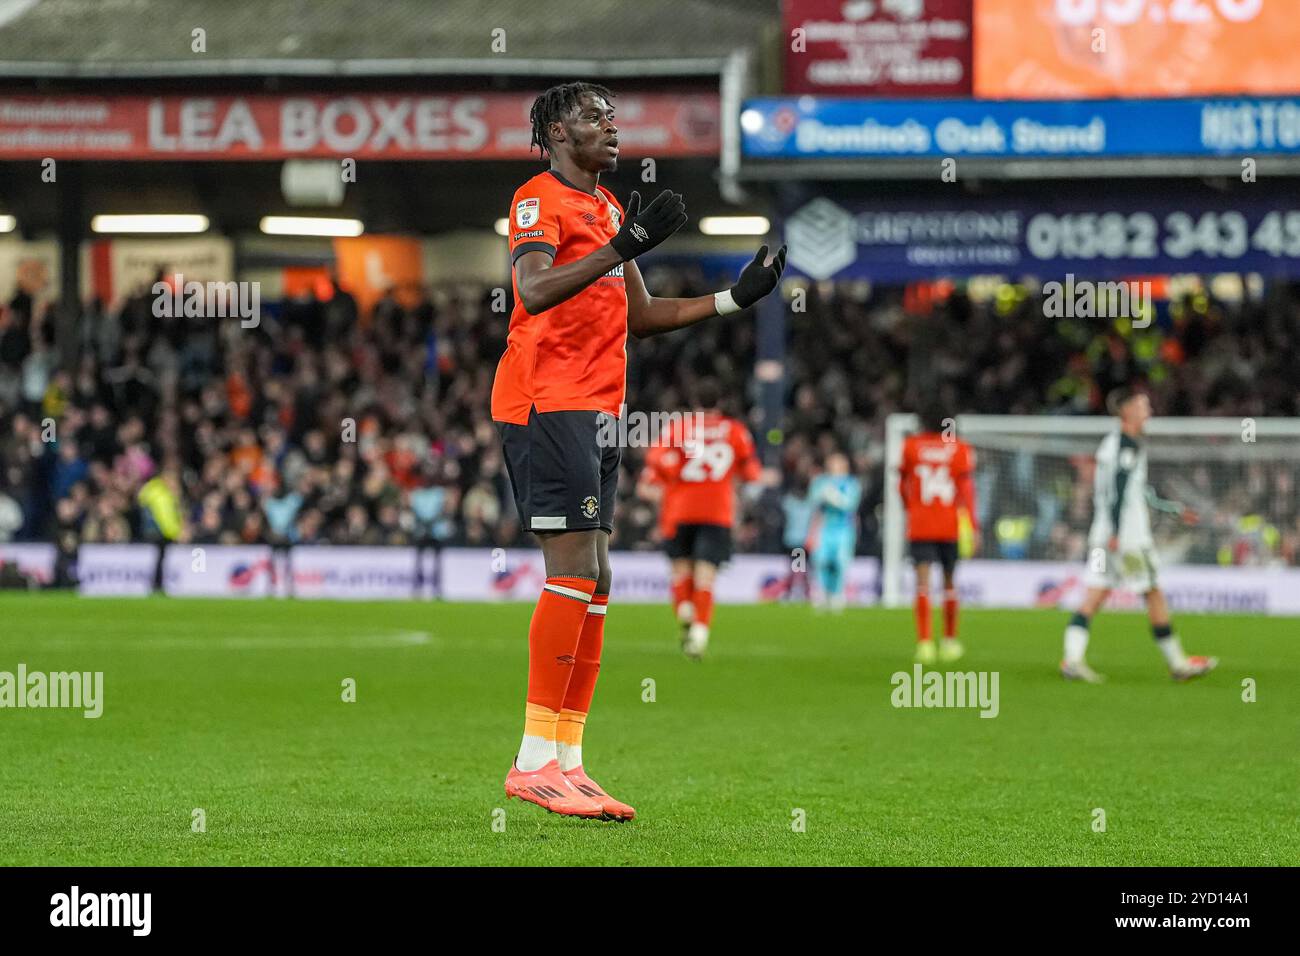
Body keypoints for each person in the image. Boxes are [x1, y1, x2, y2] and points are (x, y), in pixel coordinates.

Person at [492, 81, 786, 819]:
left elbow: (643, 314)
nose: (612, 128)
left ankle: (569, 758)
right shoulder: (539, 199)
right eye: (595, 117)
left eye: (614, 117)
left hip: (600, 410)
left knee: (597, 577)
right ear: (559, 131)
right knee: (571, 571)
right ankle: (532, 762)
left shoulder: (608, 207)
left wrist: (733, 300)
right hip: (546, 401)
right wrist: (622, 247)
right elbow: (529, 290)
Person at [1061, 388, 1217, 683]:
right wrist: (1119, 533)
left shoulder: (1109, 445)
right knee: (1153, 591)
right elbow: (1120, 488)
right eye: (1144, 405)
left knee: (1093, 595)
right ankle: (1178, 663)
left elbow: (1136, 490)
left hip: (1100, 537)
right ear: (1128, 410)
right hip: (1128, 540)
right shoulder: (1128, 445)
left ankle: (1072, 659)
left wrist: (1172, 509)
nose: (1149, 411)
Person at [641, 380, 763, 659]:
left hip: (679, 510)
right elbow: (751, 473)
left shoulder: (678, 429)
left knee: (681, 571)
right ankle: (699, 634)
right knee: (706, 577)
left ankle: (685, 609)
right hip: (717, 512)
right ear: (719, 403)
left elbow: (655, 464)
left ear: (694, 403)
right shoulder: (735, 431)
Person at [897, 404, 977, 664]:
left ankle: (924, 644)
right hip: (949, 526)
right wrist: (973, 526)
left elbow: (902, 485)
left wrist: (910, 509)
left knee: (922, 585)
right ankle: (950, 642)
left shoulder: (910, 446)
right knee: (950, 584)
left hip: (920, 525)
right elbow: (967, 491)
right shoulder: (959, 448)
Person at [808, 451, 861, 613]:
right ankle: (822, 593)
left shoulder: (852, 483)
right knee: (821, 560)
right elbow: (812, 500)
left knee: (840, 561)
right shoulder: (821, 481)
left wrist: (835, 497)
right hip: (824, 527)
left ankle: (837, 594)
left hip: (843, 528)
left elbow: (851, 504)